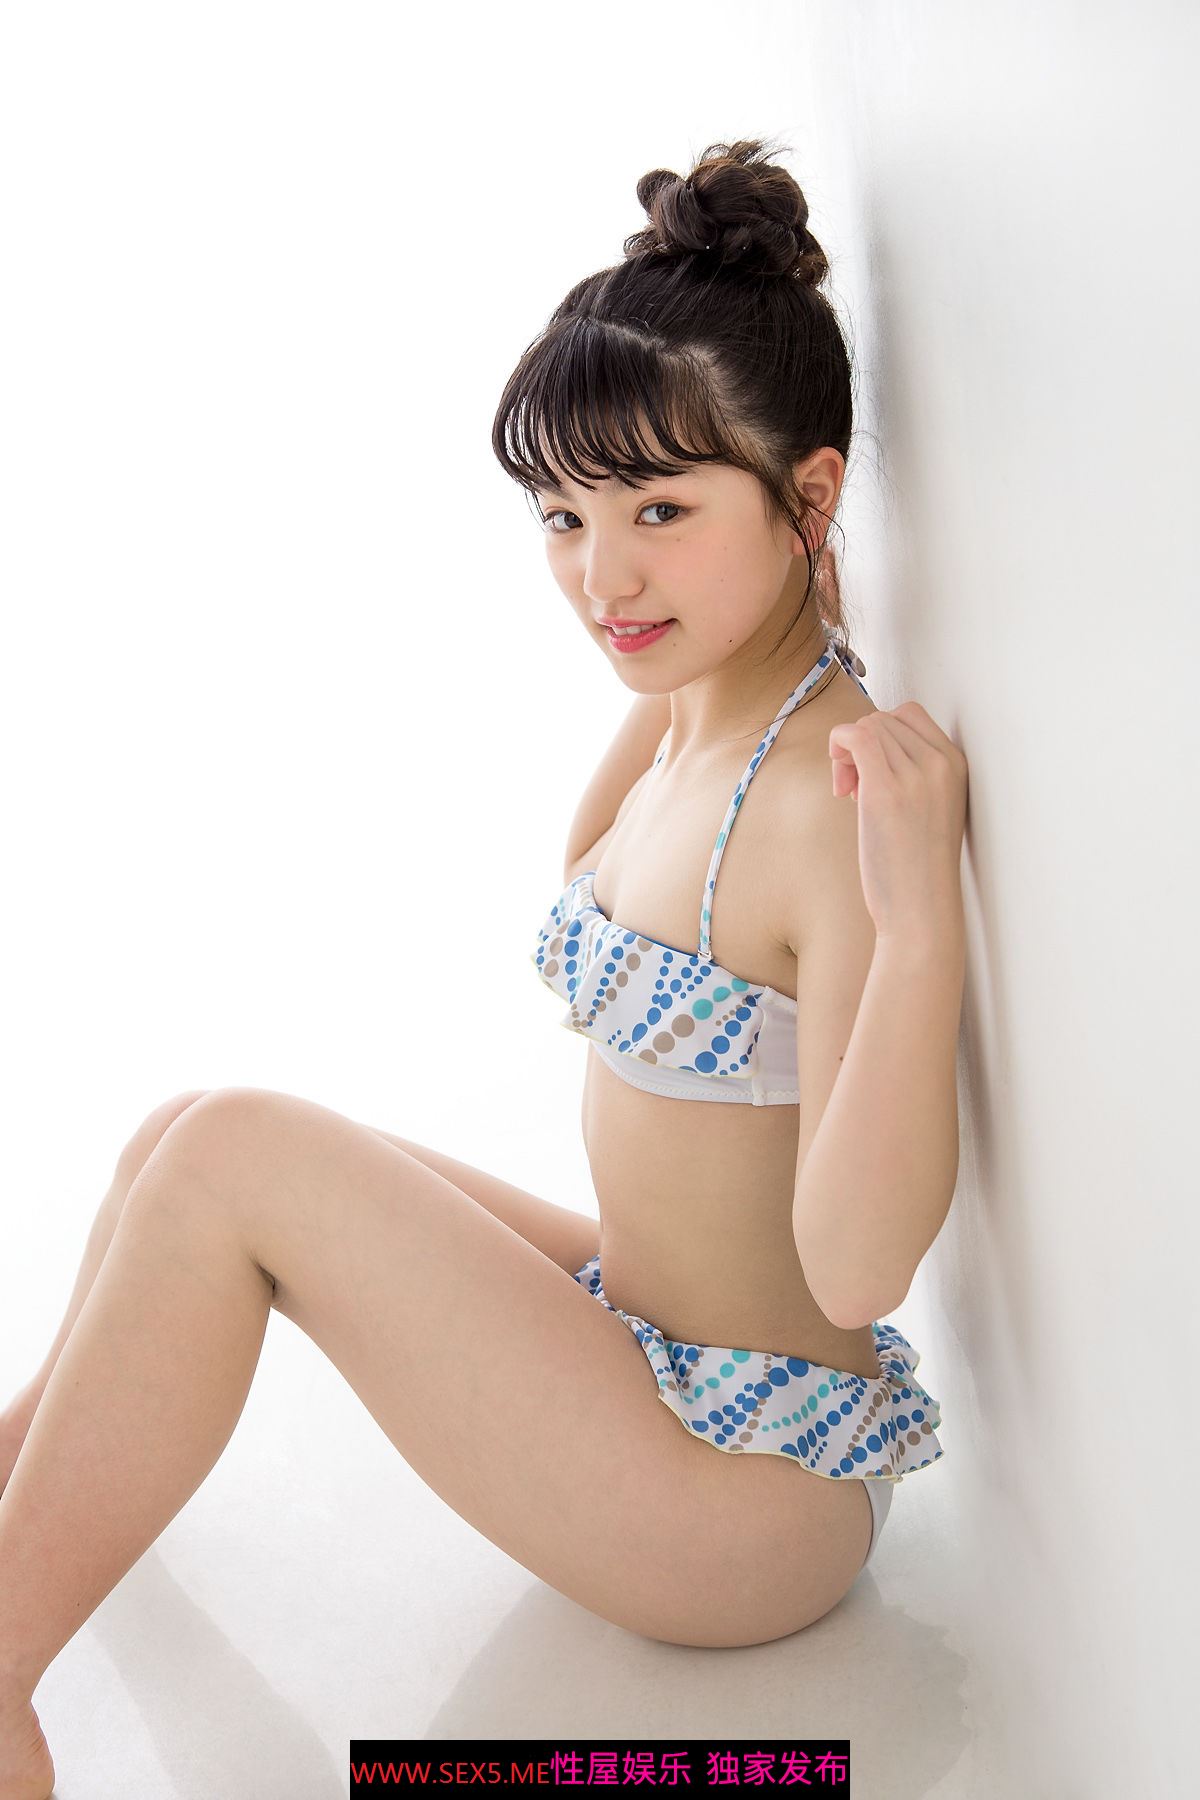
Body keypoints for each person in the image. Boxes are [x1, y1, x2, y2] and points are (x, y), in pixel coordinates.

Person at [0, 136, 968, 1795]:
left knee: (233, 1155)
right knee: (178, 1132)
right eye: (565, 516)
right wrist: (723, 596)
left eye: (661, 512)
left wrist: (922, 919)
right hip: (651, 1337)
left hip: (748, 1489)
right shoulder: (698, 711)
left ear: (809, 495)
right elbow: (607, 862)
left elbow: (858, 1271)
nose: (603, 576)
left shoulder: (826, 802)